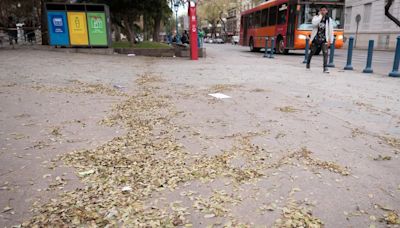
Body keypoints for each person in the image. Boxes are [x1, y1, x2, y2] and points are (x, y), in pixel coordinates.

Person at [306, 5, 334, 73]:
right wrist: (320, 16)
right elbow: (314, 24)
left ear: (327, 11)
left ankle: (325, 67)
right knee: (312, 52)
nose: (323, 11)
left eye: (324, 10)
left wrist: (331, 40)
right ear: (320, 11)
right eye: (322, 10)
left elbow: (331, 30)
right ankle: (308, 63)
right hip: (316, 38)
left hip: (324, 39)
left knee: (325, 52)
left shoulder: (328, 19)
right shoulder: (316, 17)